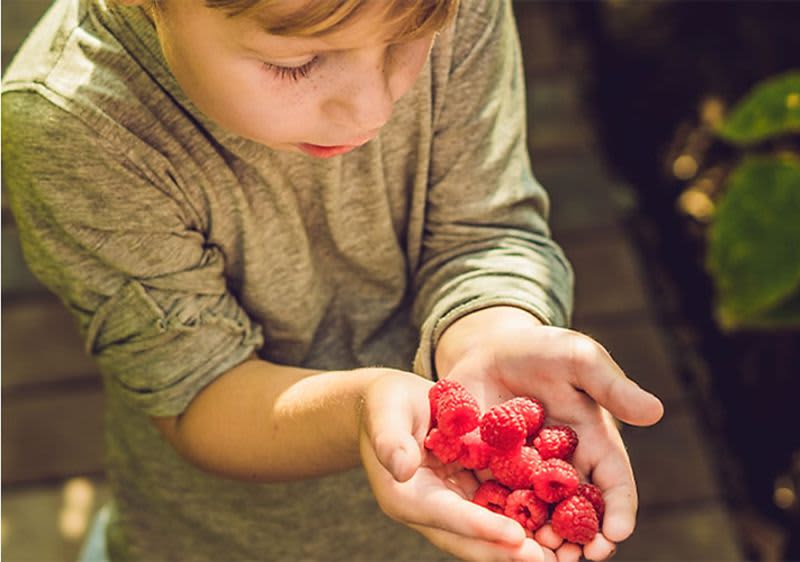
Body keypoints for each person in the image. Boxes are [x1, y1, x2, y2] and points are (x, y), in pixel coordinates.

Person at [2, 0, 665, 560]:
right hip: (228, 541)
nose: (369, 110)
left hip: (475, 524)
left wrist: (495, 333)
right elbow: (197, 389)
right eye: (294, 64)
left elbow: (484, 228)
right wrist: (361, 408)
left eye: (411, 41)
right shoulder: (72, 126)